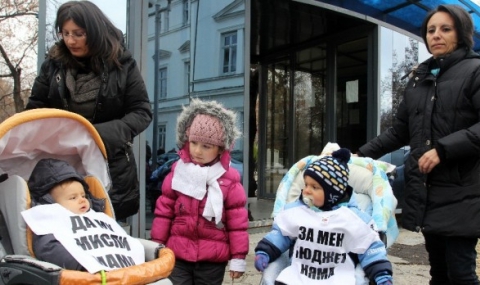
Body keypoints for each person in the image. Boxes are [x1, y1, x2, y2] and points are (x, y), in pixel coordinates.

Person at [357, 4, 480, 284]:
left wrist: (443, 149)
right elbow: (399, 131)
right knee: (438, 272)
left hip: (463, 192)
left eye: (445, 29)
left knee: (461, 274)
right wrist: (359, 154)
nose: (436, 35)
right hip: (427, 191)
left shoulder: (475, 71)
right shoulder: (420, 80)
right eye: (431, 30)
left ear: (461, 34)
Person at [25, 0, 152, 220]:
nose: (70, 40)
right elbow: (34, 110)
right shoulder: (52, 65)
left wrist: (95, 135)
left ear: (94, 32)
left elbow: (141, 112)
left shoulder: (122, 64)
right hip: (62, 166)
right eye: (65, 33)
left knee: (105, 233)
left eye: (78, 33)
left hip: (110, 163)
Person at [254, 149, 393, 285]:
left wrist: (381, 274)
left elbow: (370, 246)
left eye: (314, 187)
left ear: (332, 195)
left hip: (338, 276)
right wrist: (264, 252)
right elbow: (280, 234)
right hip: (299, 275)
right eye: (306, 185)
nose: (307, 190)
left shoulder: (352, 218)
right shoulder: (297, 211)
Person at [150, 98, 249, 285]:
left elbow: (237, 223)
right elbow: (164, 213)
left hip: (212, 259)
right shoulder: (177, 173)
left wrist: (238, 258)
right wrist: (157, 246)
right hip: (178, 254)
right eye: (194, 143)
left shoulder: (229, 180)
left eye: (206, 146)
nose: (197, 150)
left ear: (220, 149)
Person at [22, 158, 144, 273]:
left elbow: (120, 239)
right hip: (88, 273)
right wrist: (82, 265)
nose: (82, 200)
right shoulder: (51, 220)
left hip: (124, 271)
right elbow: (49, 248)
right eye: (73, 198)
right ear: (52, 203)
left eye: (83, 196)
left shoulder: (97, 216)